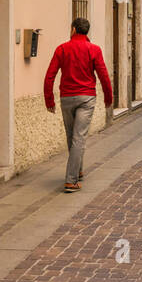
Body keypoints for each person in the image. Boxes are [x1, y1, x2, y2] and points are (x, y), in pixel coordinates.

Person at [44, 17, 113, 194]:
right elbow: (103, 75)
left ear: (73, 29)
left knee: (72, 137)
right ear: (86, 31)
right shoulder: (94, 50)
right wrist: (108, 98)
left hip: (67, 97)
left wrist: (49, 99)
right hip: (86, 98)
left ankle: (77, 170)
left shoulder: (62, 49)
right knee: (78, 138)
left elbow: (50, 75)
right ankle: (71, 180)